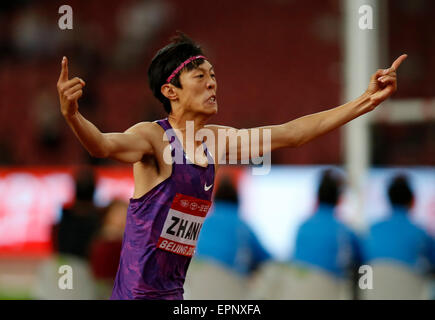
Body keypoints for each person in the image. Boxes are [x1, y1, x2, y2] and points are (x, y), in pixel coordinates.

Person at [56, 32, 407, 300]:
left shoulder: (216, 141)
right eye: (200, 76)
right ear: (171, 91)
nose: (212, 83)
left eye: (213, 74)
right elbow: (102, 144)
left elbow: (293, 134)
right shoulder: (152, 139)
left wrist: (364, 101)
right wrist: (73, 116)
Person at [184, 177, 271, 299]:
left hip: (196, 291)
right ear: (238, 202)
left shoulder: (202, 223)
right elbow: (267, 260)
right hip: (230, 291)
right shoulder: (242, 226)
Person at [288, 168, 362, 299]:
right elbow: (364, 263)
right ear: (340, 199)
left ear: (316, 197)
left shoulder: (301, 227)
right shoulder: (345, 232)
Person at [360, 174, 435, 299]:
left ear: (387, 200)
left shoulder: (370, 232)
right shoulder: (422, 234)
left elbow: (361, 268)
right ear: (413, 201)